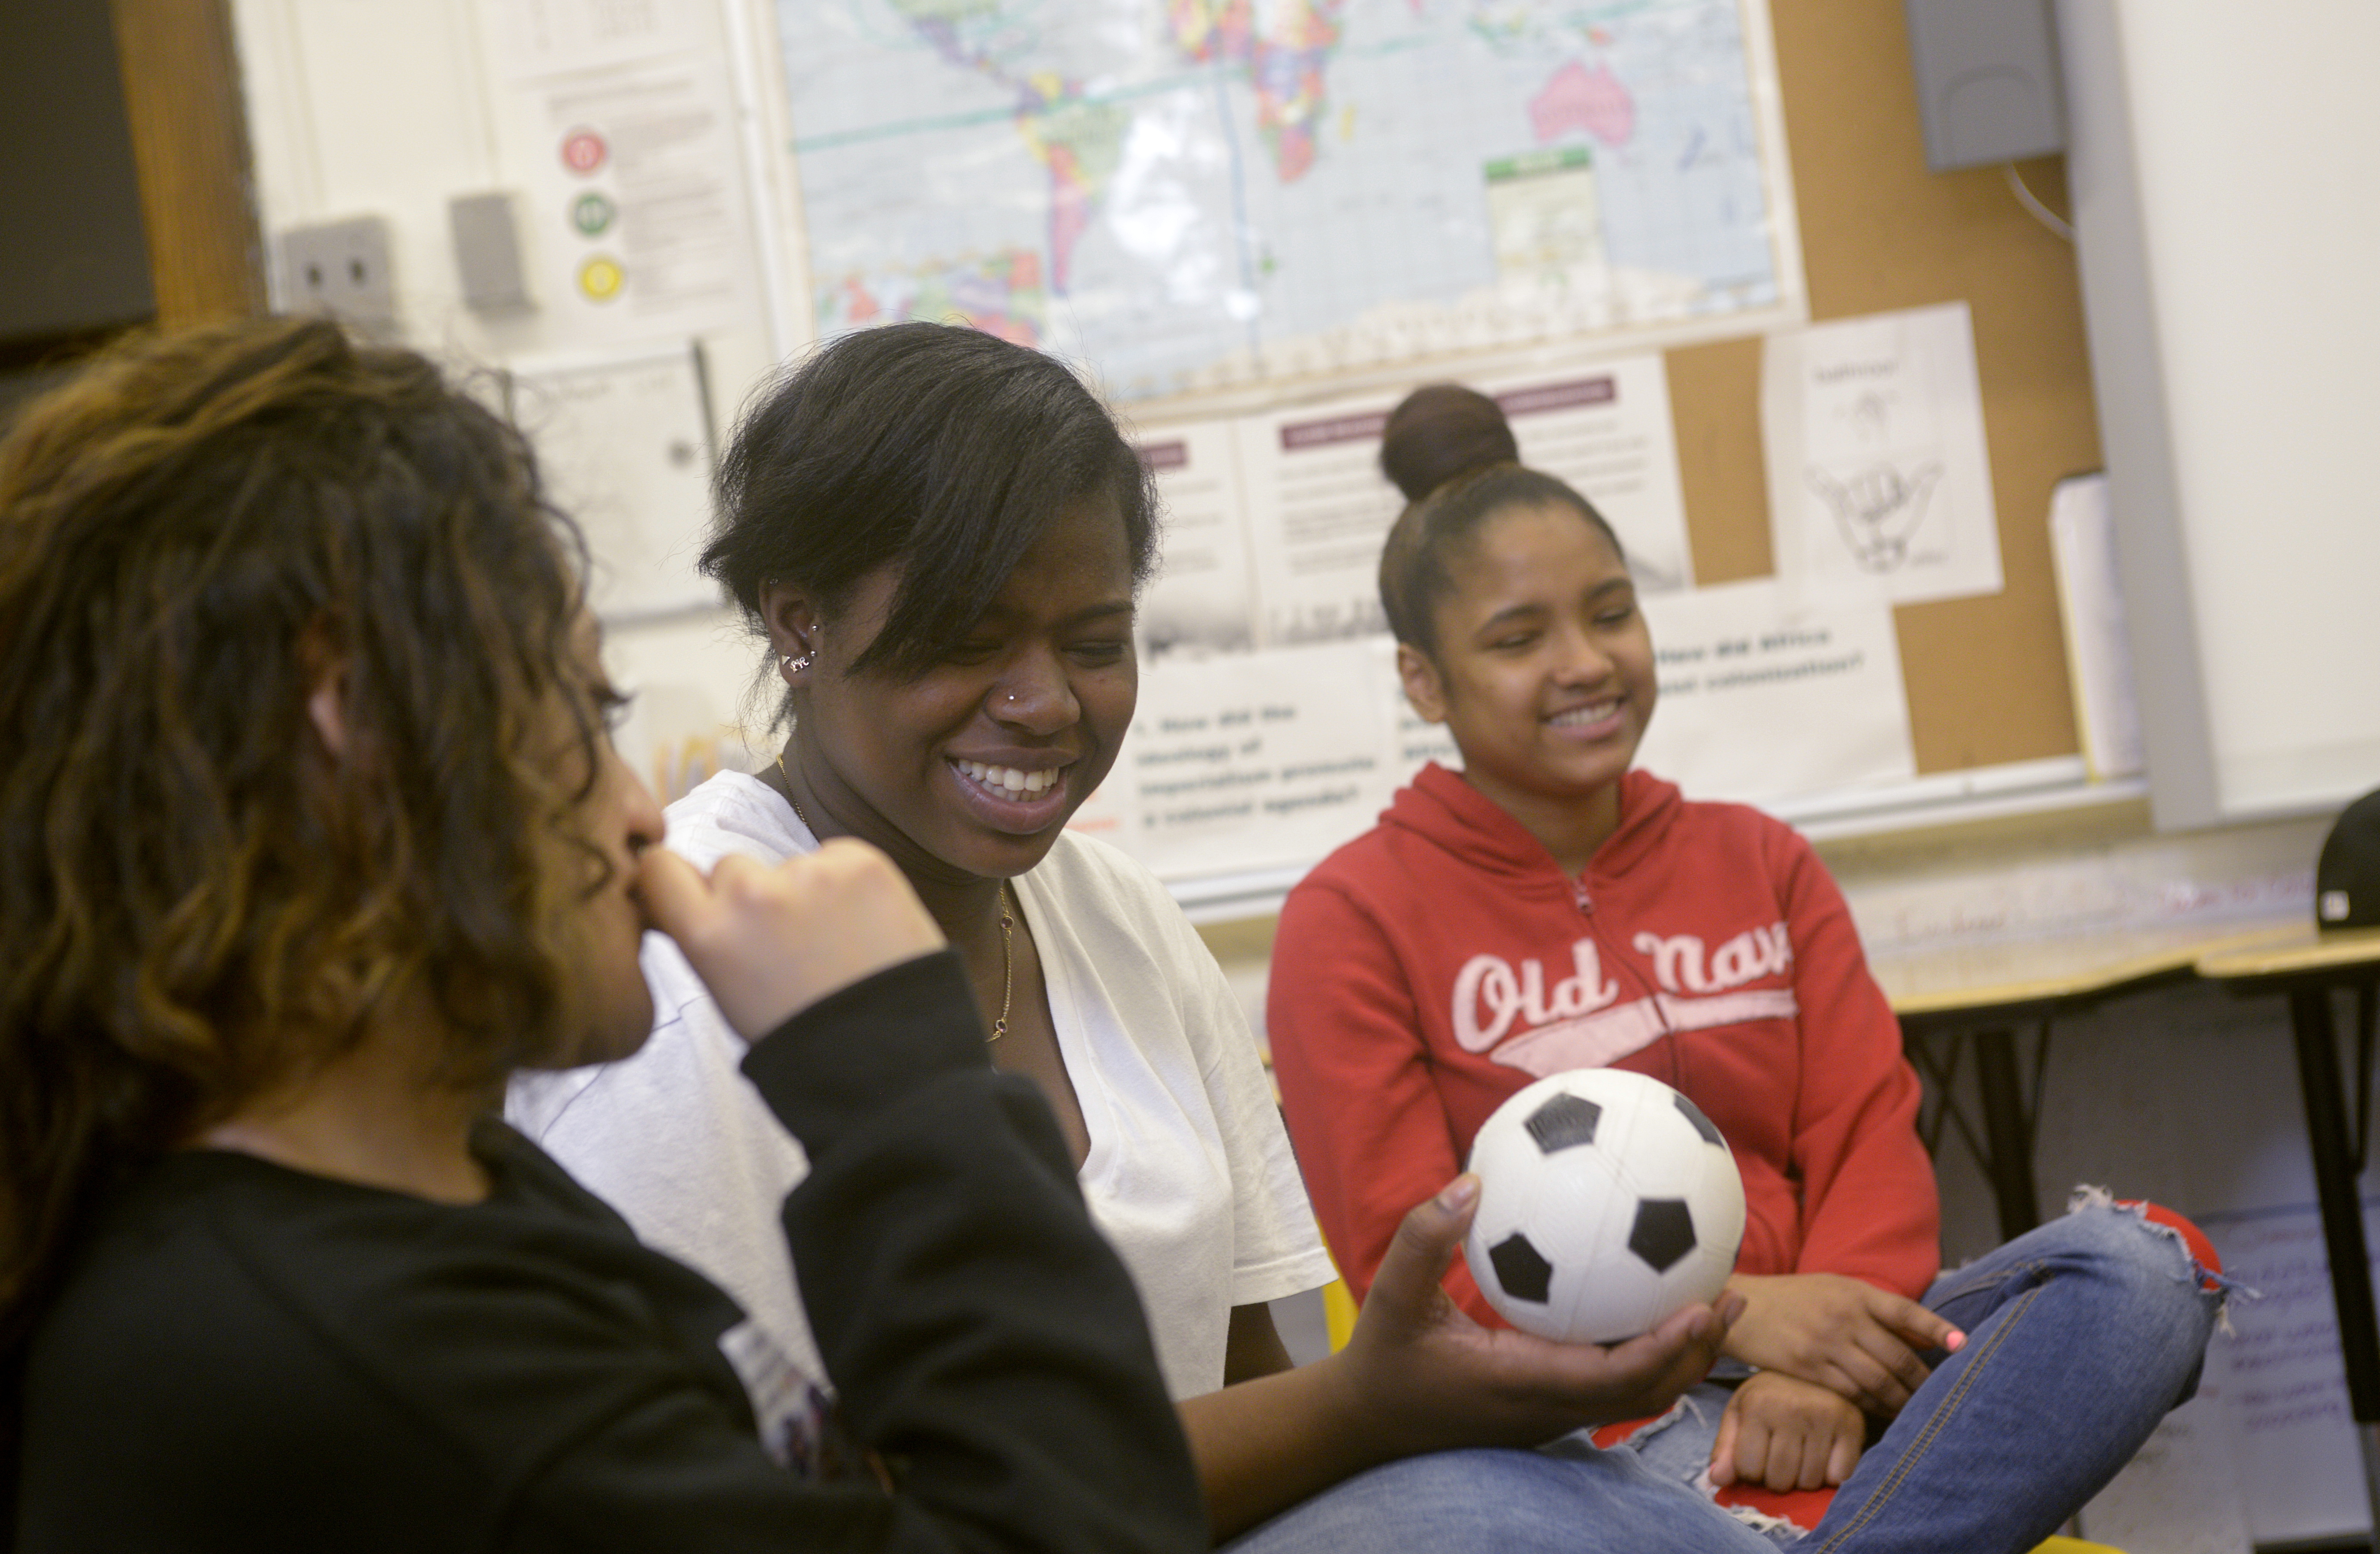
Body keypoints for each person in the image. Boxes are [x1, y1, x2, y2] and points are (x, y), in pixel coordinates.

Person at [509, 322, 1738, 1546]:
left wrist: (1393, 1414)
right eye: (968, 642)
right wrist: (1378, 1409)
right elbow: (794, 1516)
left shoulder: (1123, 920)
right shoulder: (675, 995)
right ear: (799, 625)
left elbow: (1262, 1399)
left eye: (1096, 644)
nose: (1047, 704)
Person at [0, 318, 1214, 1552]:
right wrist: (903, 1089)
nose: (640, 816)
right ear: (357, 731)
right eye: (589, 715)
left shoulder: (461, 1209)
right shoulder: (400, 1371)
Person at [1266, 383, 2230, 1551]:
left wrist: (1826, 1362)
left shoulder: (1759, 859)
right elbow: (1414, 1283)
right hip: (1568, 1434)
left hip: (1829, 1373)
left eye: (1611, 615)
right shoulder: (1349, 919)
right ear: (1424, 680)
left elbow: (1868, 1136)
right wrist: (1733, 1323)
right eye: (1519, 640)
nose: (1584, 665)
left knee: (2138, 1272)